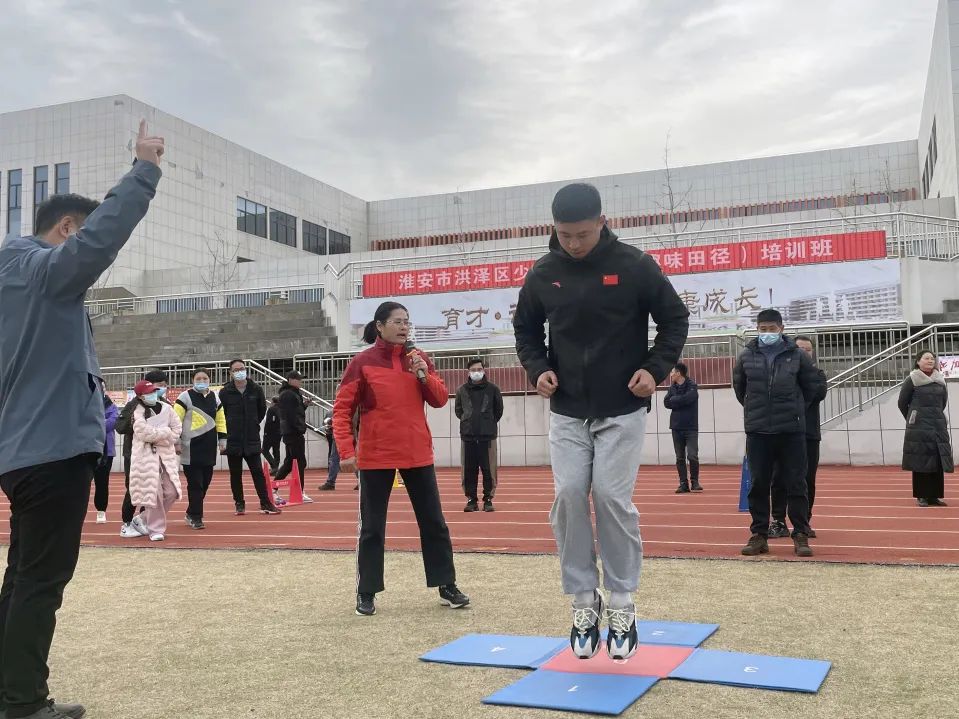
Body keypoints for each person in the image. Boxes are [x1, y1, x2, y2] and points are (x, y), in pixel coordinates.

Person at [0, 120, 163, 719]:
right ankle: (22, 702)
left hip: (23, 450)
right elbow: (97, 243)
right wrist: (144, 170)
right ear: (67, 229)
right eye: (81, 233)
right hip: (53, 450)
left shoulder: (15, 285)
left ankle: (11, 690)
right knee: (40, 581)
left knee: (23, 578)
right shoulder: (41, 270)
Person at [513, 183, 689, 661]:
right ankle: (583, 602)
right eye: (565, 234)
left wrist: (655, 369)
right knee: (569, 496)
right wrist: (537, 368)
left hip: (623, 406)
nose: (573, 243)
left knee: (611, 497)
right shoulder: (543, 273)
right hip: (567, 409)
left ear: (602, 222)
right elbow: (525, 330)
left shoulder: (635, 265)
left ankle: (623, 602)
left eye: (583, 234)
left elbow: (674, 319)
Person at [334, 301, 469, 617]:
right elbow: (342, 409)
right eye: (397, 321)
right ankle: (366, 591)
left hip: (416, 452)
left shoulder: (419, 358)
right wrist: (346, 451)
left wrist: (423, 374)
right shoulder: (362, 363)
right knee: (372, 528)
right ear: (379, 326)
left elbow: (439, 399)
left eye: (407, 321)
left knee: (434, 522)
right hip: (376, 456)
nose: (404, 327)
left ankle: (446, 585)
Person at [733, 309, 825, 559]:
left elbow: (811, 388)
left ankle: (801, 533)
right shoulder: (746, 356)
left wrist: (795, 410)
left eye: (772, 329)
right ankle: (759, 535)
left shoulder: (797, 356)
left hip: (791, 431)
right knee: (759, 484)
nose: (767, 333)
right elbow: (740, 389)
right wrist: (756, 411)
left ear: (781, 329)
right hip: (758, 431)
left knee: (797, 483)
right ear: (757, 329)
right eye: (762, 329)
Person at [769, 335, 827, 538]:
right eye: (799, 348)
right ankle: (778, 521)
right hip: (782, 433)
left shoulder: (818, 374)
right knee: (779, 478)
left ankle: (804, 522)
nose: (803, 352)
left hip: (808, 435)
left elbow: (816, 393)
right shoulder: (778, 373)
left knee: (807, 479)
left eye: (808, 349)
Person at [219, 359, 281, 516]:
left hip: (251, 438)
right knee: (235, 474)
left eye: (242, 368)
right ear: (230, 372)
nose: (239, 372)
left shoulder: (256, 389)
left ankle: (265, 503)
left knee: (258, 472)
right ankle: (239, 503)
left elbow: (261, 411)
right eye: (236, 370)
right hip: (233, 439)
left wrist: (252, 423)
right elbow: (221, 414)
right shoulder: (225, 392)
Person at [115, 369, 170, 537]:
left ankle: (143, 520)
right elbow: (120, 427)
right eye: (159, 386)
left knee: (152, 488)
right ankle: (126, 523)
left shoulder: (164, 404)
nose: (161, 389)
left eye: (164, 385)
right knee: (134, 488)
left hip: (155, 453)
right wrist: (137, 423)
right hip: (134, 453)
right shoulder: (134, 404)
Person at [128, 380, 183, 541]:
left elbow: (177, 429)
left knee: (172, 492)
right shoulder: (137, 411)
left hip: (166, 456)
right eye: (149, 393)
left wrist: (162, 435)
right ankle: (156, 529)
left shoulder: (167, 408)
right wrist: (166, 432)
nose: (153, 394)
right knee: (154, 493)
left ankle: (143, 518)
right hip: (145, 457)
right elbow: (144, 433)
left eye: (154, 391)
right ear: (140, 396)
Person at [174, 369, 226, 530]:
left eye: (205, 378)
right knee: (195, 484)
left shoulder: (215, 397)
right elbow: (176, 421)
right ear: (193, 380)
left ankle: (191, 512)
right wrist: (176, 442)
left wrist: (222, 439)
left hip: (209, 447)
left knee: (205, 483)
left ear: (209, 380)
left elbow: (220, 419)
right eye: (198, 378)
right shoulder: (184, 397)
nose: (202, 381)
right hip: (190, 448)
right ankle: (196, 517)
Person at [899, 350, 952, 507]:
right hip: (919, 426)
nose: (930, 361)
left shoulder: (940, 379)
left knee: (937, 459)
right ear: (918, 361)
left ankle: (934, 496)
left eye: (932, 358)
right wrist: (913, 418)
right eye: (926, 358)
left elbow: (943, 402)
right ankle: (921, 495)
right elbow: (902, 403)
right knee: (921, 459)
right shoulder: (912, 379)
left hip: (937, 424)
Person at [454, 358, 504, 512]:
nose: (476, 372)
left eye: (479, 369)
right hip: (468, 436)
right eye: (473, 370)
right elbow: (458, 411)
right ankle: (471, 500)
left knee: (489, 469)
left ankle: (488, 499)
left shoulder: (493, 389)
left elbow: (498, 410)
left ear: (484, 370)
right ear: (468, 372)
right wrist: (468, 421)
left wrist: (488, 423)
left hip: (487, 437)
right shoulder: (461, 390)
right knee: (469, 470)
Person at [274, 371, 313, 503]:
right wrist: (299, 428)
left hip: (291, 432)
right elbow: (290, 415)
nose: (300, 381)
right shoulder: (289, 394)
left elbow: (296, 412)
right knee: (299, 462)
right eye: (298, 379)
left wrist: (304, 405)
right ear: (290, 380)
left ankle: (273, 488)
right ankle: (299, 492)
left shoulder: (292, 393)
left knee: (290, 462)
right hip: (293, 432)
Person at [663, 362, 702, 494]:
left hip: (691, 427)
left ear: (679, 373)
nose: (671, 374)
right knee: (680, 457)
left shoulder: (692, 386)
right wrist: (678, 400)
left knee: (692, 455)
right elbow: (666, 402)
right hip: (676, 427)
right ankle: (683, 484)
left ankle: (695, 482)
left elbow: (689, 399)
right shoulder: (672, 388)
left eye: (672, 372)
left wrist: (675, 400)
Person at [93, 385, 119, 524]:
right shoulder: (85, 404)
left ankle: (101, 510)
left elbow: (111, 424)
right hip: (87, 449)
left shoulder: (112, 406)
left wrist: (95, 423)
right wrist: (102, 421)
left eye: (102, 387)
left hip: (106, 451)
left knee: (102, 482)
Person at [318, 416, 340, 491]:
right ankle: (361, 480)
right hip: (348, 434)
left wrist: (331, 423)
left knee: (334, 459)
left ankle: (330, 482)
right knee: (356, 458)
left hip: (340, 435)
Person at [262, 396, 282, 476]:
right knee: (276, 450)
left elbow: (269, 422)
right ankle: (275, 468)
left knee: (264, 450)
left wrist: (266, 432)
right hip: (279, 433)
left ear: (273, 402)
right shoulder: (281, 409)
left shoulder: (271, 409)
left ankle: (274, 466)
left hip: (270, 433)